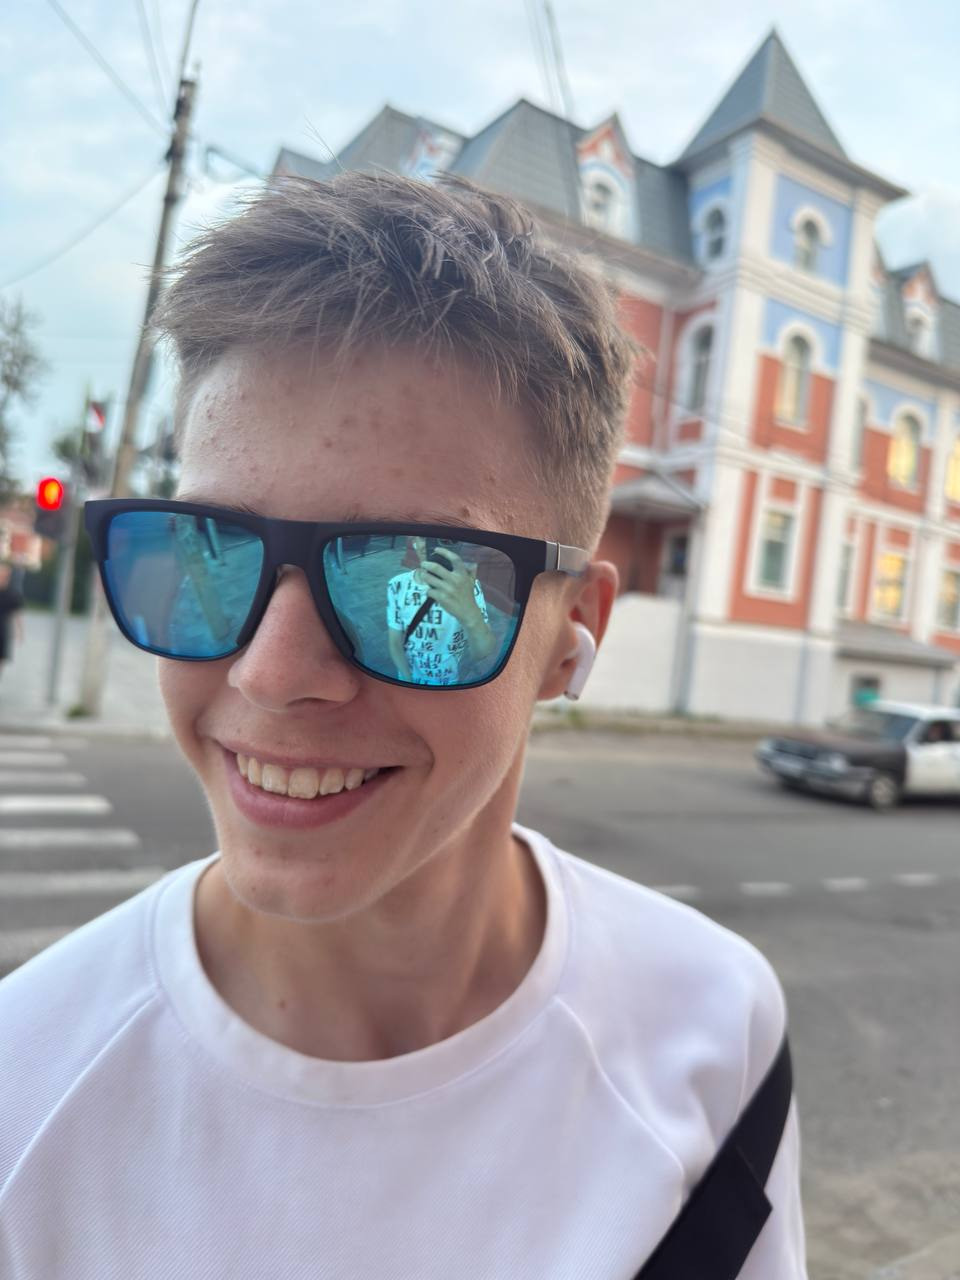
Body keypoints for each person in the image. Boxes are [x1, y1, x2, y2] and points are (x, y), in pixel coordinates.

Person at [0, 173, 807, 1278]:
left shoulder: (714, 1034)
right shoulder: (27, 1092)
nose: (273, 674)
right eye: (206, 552)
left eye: (416, 579)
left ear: (573, 633)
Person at [386, 537, 496, 684]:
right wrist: (407, 679)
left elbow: (482, 652)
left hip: (447, 682)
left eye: (440, 538)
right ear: (414, 542)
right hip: (407, 678)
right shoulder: (398, 584)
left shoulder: (468, 588)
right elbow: (395, 641)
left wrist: (471, 616)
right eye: (422, 537)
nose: (428, 544)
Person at [0, 563, 24, 684]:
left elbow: (17, 615)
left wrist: (20, 632)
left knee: (1, 658)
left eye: (4, 574)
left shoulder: (13, 594)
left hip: (4, 630)